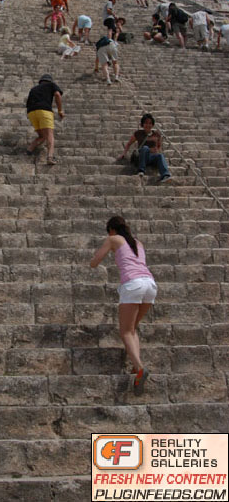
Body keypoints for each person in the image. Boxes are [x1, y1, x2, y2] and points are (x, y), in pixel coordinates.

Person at [90, 216, 157, 396]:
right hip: (150, 284)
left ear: (111, 230)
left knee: (125, 332)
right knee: (132, 329)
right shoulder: (138, 243)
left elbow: (95, 261)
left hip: (133, 284)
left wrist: (92, 262)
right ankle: (137, 370)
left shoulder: (113, 239)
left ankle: (139, 367)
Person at [120, 113, 172, 183]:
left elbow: (159, 146)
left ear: (152, 124)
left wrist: (156, 151)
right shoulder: (138, 133)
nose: (148, 125)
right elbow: (129, 144)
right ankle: (141, 170)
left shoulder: (157, 134)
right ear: (142, 124)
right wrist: (124, 153)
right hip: (141, 157)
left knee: (160, 155)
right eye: (146, 123)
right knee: (145, 148)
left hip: (151, 157)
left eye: (150, 123)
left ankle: (165, 175)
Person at [26, 74, 64, 165]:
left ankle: (30, 149)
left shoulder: (33, 89)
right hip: (44, 111)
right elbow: (57, 95)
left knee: (42, 136)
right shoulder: (51, 85)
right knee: (50, 135)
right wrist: (60, 110)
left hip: (31, 113)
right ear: (49, 81)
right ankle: (50, 157)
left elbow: (28, 103)